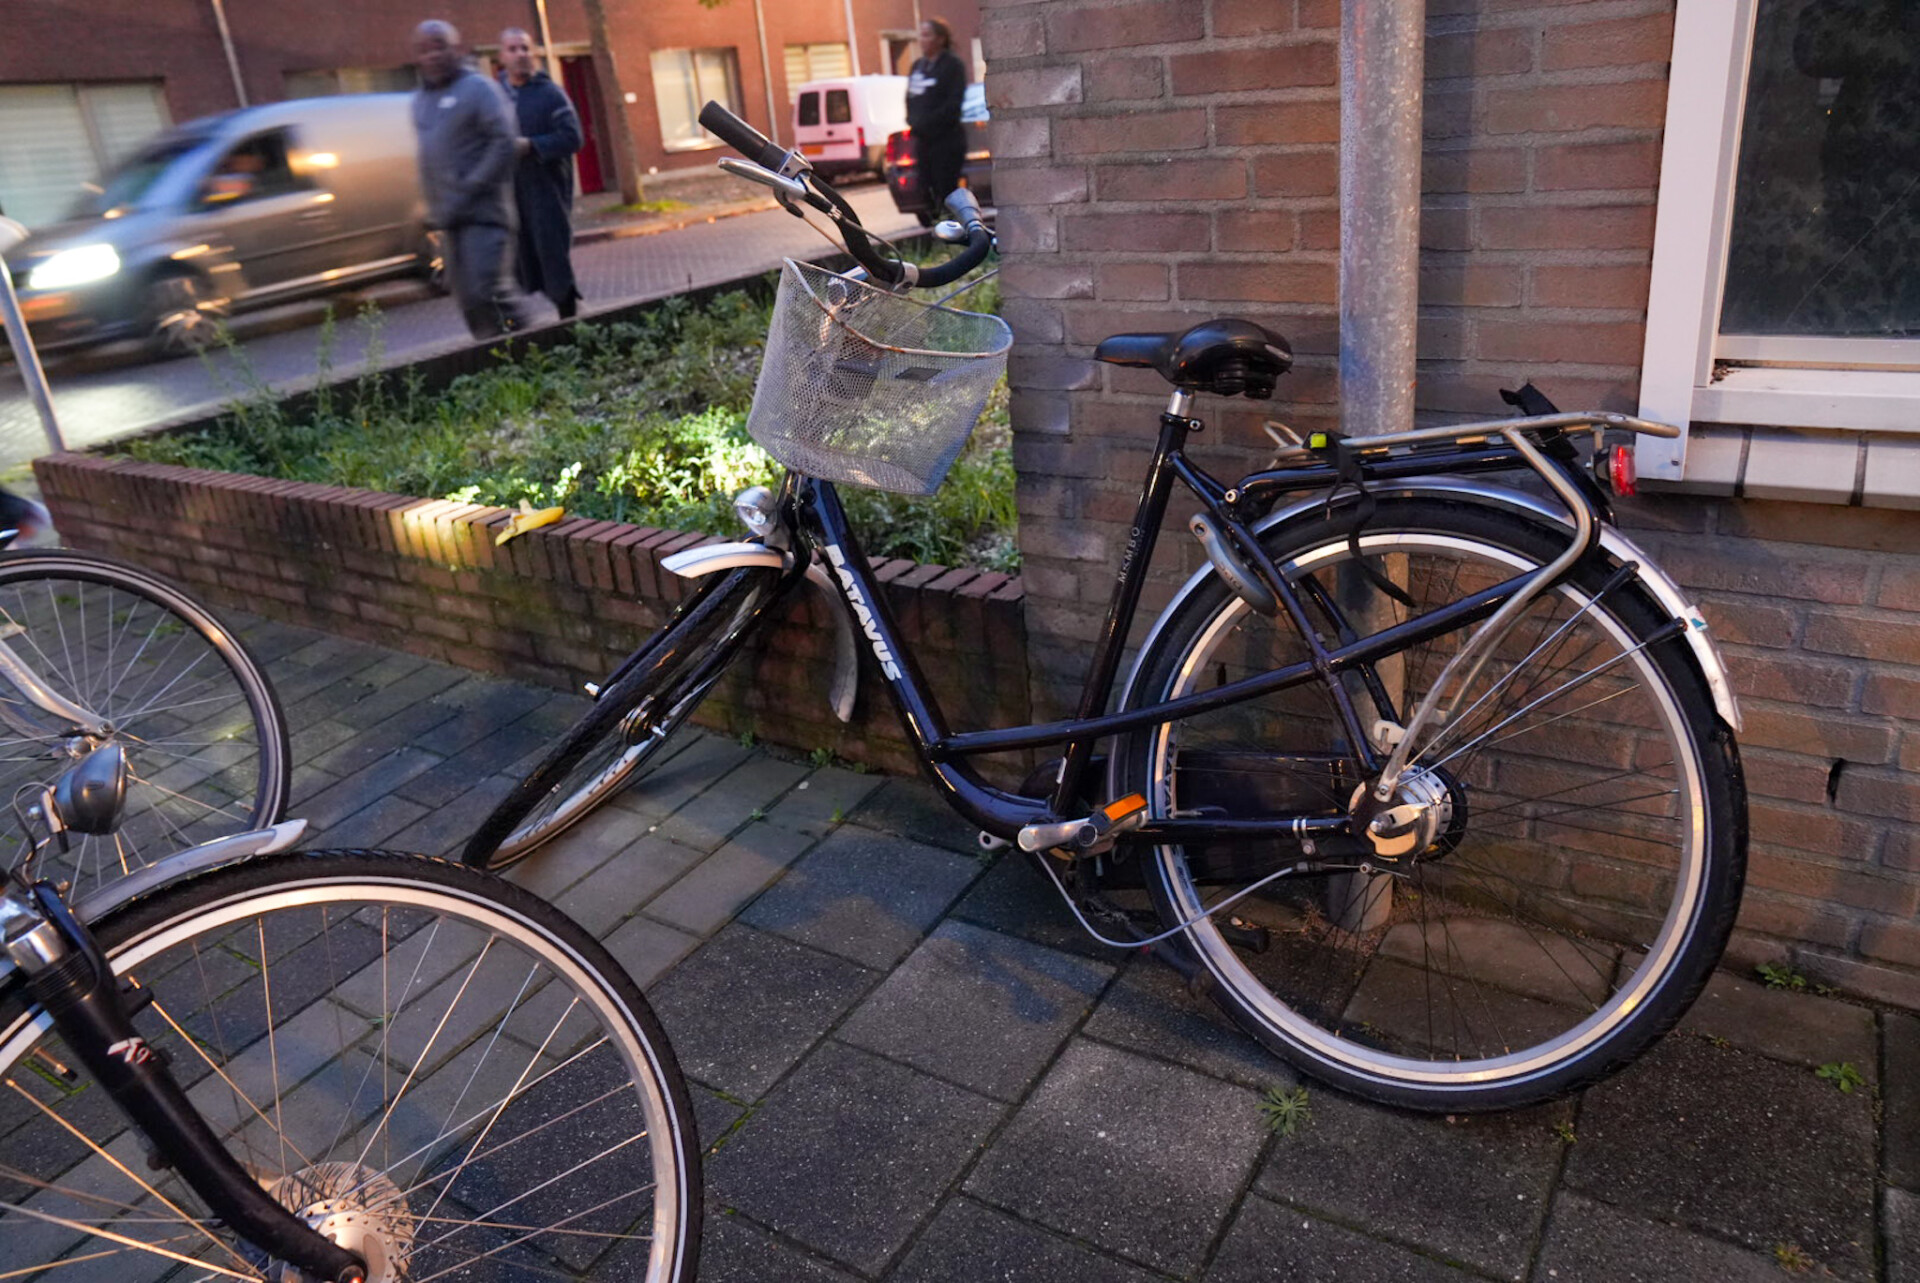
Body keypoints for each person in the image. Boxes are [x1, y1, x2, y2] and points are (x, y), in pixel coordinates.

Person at [410, 19, 525, 339]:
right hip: (450, 222)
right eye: (424, 50)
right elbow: (428, 158)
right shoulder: (420, 101)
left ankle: (533, 355)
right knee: (470, 302)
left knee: (490, 292)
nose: (432, 56)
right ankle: (497, 367)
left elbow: (504, 143)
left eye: (439, 46)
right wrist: (431, 209)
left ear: (456, 49)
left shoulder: (478, 90)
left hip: (485, 216)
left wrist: (470, 186)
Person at [498, 27, 585, 319]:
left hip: (546, 193)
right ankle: (512, 339)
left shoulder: (550, 95)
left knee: (553, 257)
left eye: (525, 48)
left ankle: (571, 323)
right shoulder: (496, 98)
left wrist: (532, 146)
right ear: (502, 56)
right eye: (513, 49)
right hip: (510, 195)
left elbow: (573, 137)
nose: (520, 54)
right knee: (512, 262)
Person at [906, 17, 967, 221]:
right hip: (923, 140)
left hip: (946, 140)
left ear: (940, 39)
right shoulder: (918, 66)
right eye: (920, 35)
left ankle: (953, 229)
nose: (921, 40)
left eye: (926, 35)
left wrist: (929, 122)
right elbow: (911, 97)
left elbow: (953, 104)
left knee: (945, 187)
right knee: (925, 187)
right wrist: (913, 121)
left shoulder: (952, 66)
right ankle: (934, 227)